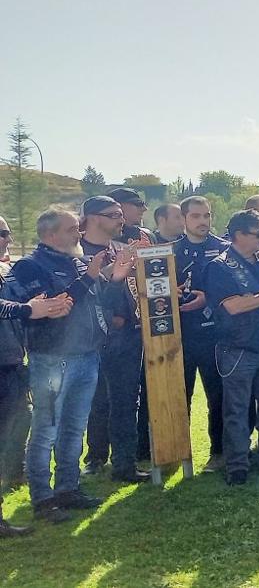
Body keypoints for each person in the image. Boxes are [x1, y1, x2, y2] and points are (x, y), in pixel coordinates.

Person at [11, 208, 133, 522]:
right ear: (50, 235)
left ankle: (68, 487)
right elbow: (57, 306)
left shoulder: (77, 261)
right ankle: (43, 498)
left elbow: (100, 303)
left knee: (74, 428)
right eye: (70, 229)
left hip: (87, 355)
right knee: (46, 430)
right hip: (52, 358)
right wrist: (90, 275)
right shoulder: (29, 266)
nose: (78, 233)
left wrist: (115, 278)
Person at [204, 210, 259, 485]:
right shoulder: (219, 266)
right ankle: (237, 465)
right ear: (239, 235)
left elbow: (257, 298)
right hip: (238, 347)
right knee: (237, 409)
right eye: (258, 234)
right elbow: (232, 306)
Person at [0, 255, 73, 536]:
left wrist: (48, 304)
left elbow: (32, 301)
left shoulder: (6, 271)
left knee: (13, 435)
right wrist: (28, 309)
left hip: (12, 364)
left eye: (5, 233)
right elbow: (18, 308)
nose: (4, 239)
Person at [79, 196, 148, 483]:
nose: (122, 220)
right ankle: (95, 457)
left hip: (128, 335)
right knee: (97, 401)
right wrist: (115, 269)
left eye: (121, 214)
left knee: (125, 400)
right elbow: (83, 289)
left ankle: (125, 464)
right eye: (114, 215)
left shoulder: (120, 247)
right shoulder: (77, 250)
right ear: (94, 218)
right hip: (93, 338)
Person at [173, 196, 230, 472]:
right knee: (177, 397)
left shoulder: (224, 249)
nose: (203, 221)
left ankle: (218, 452)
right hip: (178, 338)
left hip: (214, 336)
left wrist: (207, 299)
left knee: (217, 397)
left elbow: (235, 289)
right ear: (183, 219)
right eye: (196, 216)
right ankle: (177, 453)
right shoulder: (169, 251)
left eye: (206, 215)